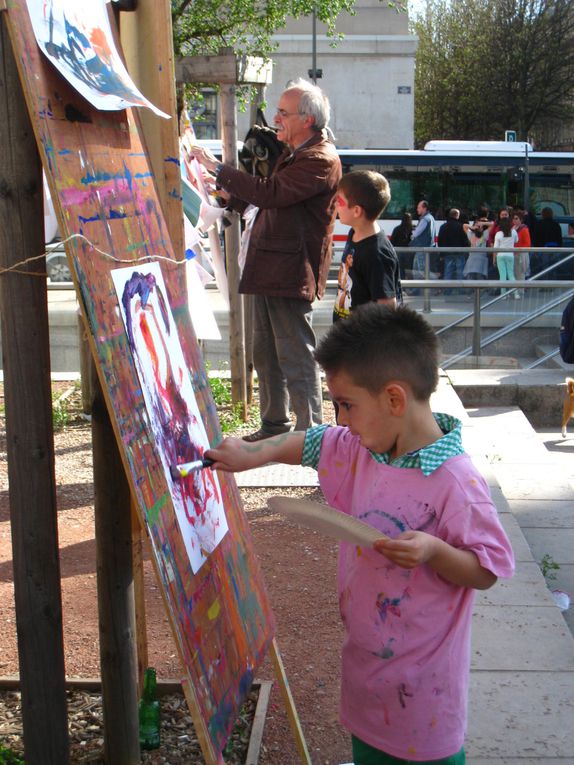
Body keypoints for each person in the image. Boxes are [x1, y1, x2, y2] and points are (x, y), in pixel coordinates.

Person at [206, 303, 515, 765]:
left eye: (347, 405)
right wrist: (255, 453)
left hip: (425, 702)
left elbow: (487, 569)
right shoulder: (364, 451)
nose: (342, 419)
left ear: (394, 399)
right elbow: (311, 444)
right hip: (368, 677)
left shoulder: (457, 483)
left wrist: (434, 550)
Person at [191, 79, 342, 442]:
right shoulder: (298, 154)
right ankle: (276, 423)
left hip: (289, 270)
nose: (275, 119)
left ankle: (312, 434)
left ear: (307, 119)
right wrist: (232, 199)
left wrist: (219, 168)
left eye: (283, 113)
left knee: (294, 353)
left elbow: (273, 194)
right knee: (266, 352)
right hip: (271, 267)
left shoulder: (320, 158)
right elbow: (269, 204)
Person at [332, 170, 401, 322]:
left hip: (362, 342)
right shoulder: (354, 233)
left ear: (356, 211)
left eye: (340, 201)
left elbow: (387, 309)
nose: (335, 204)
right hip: (345, 335)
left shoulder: (377, 254)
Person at [437, 208, 469, 294]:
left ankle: (447, 291)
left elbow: (440, 241)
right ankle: (461, 290)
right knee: (460, 272)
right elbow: (465, 240)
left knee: (448, 272)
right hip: (459, 252)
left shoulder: (443, 227)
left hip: (447, 253)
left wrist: (441, 254)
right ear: (457, 216)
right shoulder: (460, 226)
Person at [410, 200, 437, 282]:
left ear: (424, 208)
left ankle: (436, 282)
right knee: (416, 270)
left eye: (419, 207)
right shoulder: (431, 218)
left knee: (422, 271)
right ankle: (415, 290)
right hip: (426, 247)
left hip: (421, 248)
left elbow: (416, 233)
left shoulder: (425, 219)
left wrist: (411, 233)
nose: (417, 209)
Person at [532, 206, 563, 277]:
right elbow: (559, 238)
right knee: (554, 268)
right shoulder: (556, 224)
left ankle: (545, 286)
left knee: (544, 269)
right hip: (555, 249)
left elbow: (536, 238)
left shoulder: (539, 224)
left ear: (543, 214)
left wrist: (536, 250)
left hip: (543, 250)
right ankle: (553, 285)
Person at [493, 216, 518, 296]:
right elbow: (517, 240)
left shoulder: (498, 234)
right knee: (511, 274)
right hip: (510, 255)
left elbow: (495, 247)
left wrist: (494, 257)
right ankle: (516, 293)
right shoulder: (513, 232)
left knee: (502, 275)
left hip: (500, 255)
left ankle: (503, 294)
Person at [512, 209, 531, 296]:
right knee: (514, 273)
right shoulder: (512, 228)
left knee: (520, 273)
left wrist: (519, 249)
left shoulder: (524, 229)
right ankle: (515, 291)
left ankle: (520, 291)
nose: (515, 220)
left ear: (521, 219)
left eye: (516, 218)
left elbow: (527, 243)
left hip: (521, 254)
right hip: (513, 253)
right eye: (513, 219)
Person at [391, 211, 413, 279]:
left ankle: (402, 283)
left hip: (399, 252)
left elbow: (392, 241)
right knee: (409, 269)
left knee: (400, 269)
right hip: (409, 252)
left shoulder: (397, 229)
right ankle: (411, 284)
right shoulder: (412, 229)